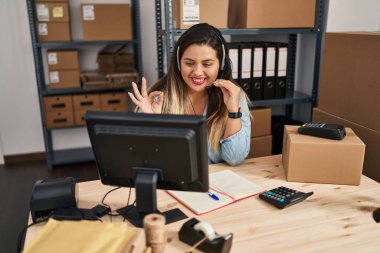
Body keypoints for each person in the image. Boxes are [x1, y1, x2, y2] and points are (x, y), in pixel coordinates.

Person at [128, 23, 251, 166]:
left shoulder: (233, 97)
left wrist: (233, 112)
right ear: (179, 63)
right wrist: (153, 121)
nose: (198, 72)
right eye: (189, 63)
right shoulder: (156, 98)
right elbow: (144, 160)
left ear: (221, 65)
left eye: (207, 64)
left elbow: (235, 159)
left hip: (216, 184)